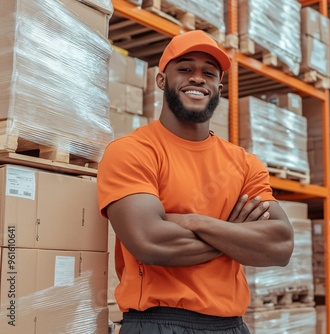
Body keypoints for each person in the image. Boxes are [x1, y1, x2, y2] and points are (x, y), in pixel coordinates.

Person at [97, 30, 294, 334]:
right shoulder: (132, 151)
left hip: (232, 326)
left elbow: (280, 244)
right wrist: (235, 235)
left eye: (209, 73)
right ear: (161, 80)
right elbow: (150, 242)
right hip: (159, 323)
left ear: (218, 86)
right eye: (186, 69)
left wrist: (193, 221)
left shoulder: (244, 163)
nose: (198, 78)